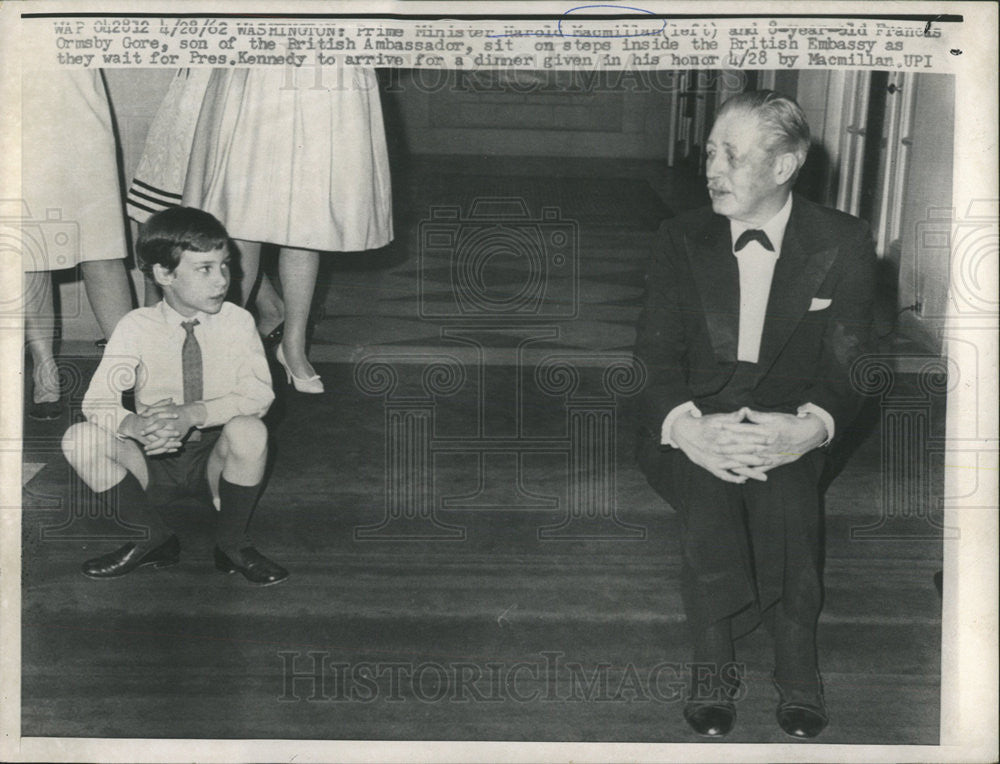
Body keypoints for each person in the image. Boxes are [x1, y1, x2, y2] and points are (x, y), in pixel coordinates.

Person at [634, 91, 876, 739]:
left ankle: (797, 667)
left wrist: (811, 426)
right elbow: (651, 360)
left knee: (790, 492)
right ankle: (713, 664)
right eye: (711, 151)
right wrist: (686, 428)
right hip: (695, 415)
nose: (711, 167)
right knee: (714, 482)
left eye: (732, 155)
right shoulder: (679, 238)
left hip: (787, 418)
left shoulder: (844, 241)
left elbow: (852, 366)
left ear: (784, 165)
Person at [61, 207, 288, 585]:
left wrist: (192, 414)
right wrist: (135, 423)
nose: (222, 280)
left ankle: (232, 543)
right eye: (204, 269)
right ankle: (152, 536)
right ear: (164, 274)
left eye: (225, 266)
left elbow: (258, 395)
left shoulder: (237, 321)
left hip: (215, 459)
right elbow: (95, 401)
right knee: (78, 438)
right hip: (153, 459)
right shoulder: (136, 326)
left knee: (250, 430)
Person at [21, 69, 134, 420]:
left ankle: (128, 368)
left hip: (75, 95)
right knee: (30, 247)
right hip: (15, 97)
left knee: (101, 244)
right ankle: (45, 370)